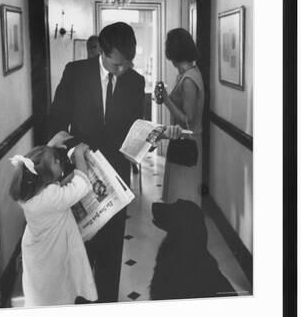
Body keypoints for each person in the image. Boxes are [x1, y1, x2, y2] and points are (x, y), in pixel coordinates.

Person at [48, 22, 145, 302]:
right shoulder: (75, 73)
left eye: (128, 64)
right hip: (78, 175)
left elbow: (132, 129)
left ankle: (107, 310)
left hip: (116, 181)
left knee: (111, 252)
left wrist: (147, 137)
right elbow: (54, 122)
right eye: (117, 65)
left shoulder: (135, 81)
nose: (123, 71)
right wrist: (74, 149)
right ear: (102, 52)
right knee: (80, 250)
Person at [9, 142, 97, 307]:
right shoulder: (51, 197)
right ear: (45, 175)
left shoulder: (28, 192)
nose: (59, 161)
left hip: (36, 251)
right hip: (52, 252)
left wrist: (49, 147)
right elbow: (82, 185)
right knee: (58, 291)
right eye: (55, 161)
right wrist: (79, 155)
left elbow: (51, 183)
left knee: (40, 292)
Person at [154, 28, 205, 206]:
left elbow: (188, 119)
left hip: (187, 143)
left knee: (182, 196)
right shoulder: (185, 74)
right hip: (180, 140)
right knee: (176, 195)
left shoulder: (189, 80)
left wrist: (166, 100)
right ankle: (177, 232)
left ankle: (182, 232)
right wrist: (165, 98)